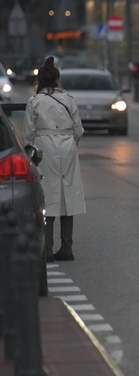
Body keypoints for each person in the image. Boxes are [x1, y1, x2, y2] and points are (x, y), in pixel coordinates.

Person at [23, 56, 85, 262]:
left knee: (47, 195)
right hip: (67, 146)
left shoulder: (35, 101)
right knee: (69, 194)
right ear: (57, 80)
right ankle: (67, 247)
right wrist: (69, 141)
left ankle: (47, 249)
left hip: (44, 147)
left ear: (39, 80)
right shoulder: (69, 100)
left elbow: (27, 134)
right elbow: (79, 129)